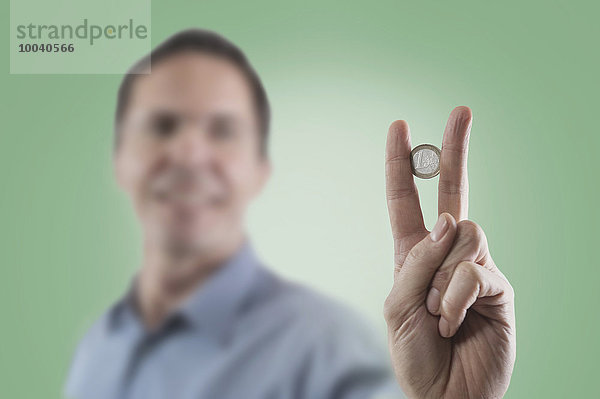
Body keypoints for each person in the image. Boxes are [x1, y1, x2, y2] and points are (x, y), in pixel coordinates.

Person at [65, 28, 515, 399]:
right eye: (162, 125)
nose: (189, 153)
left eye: (222, 129)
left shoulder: (328, 349)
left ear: (259, 169)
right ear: (120, 159)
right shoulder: (100, 345)